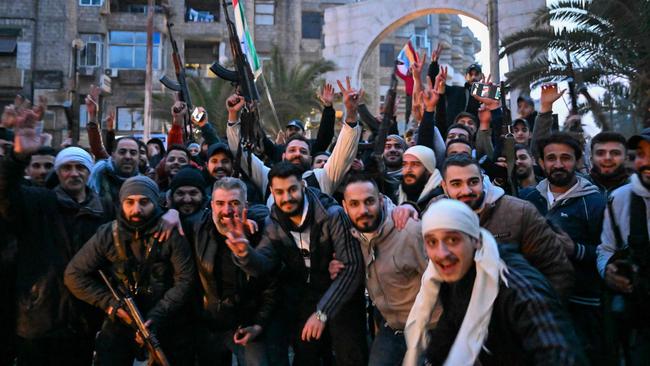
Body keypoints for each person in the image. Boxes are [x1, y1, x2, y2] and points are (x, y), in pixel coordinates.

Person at [403, 199, 586, 366]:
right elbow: (449, 330)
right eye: (432, 242)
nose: (442, 253)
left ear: (474, 240)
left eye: (452, 240)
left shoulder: (516, 287)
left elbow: (561, 355)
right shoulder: (455, 275)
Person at [222, 161, 367, 366]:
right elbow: (264, 263)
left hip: (341, 296)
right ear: (272, 191)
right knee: (305, 356)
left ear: (303, 185)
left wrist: (322, 312)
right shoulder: (274, 222)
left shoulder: (332, 215)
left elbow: (351, 267)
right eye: (279, 192)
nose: (287, 197)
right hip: (305, 298)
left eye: (292, 189)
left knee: (349, 356)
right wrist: (245, 254)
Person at [0, 108, 112, 365]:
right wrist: (16, 159)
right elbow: (5, 196)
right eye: (67, 168)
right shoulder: (39, 202)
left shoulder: (104, 209)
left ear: (89, 172)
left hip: (84, 321)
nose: (74, 173)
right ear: (59, 172)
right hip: (40, 318)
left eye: (80, 168)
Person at [64, 175, 195, 366]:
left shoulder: (169, 233)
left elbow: (185, 279)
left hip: (166, 318)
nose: (136, 209)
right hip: (121, 320)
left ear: (154, 202)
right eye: (129, 202)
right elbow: (74, 275)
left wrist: (157, 315)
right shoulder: (108, 234)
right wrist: (110, 304)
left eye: (144, 202)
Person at [520, 132, 607, 365]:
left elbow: (607, 254)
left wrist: (575, 249)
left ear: (577, 161)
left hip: (582, 307)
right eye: (551, 158)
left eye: (566, 158)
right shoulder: (526, 199)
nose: (558, 164)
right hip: (536, 306)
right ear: (540, 162)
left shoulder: (595, 202)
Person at [436, 154, 575, 297]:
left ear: (482, 180)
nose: (466, 190)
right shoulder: (436, 217)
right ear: (444, 186)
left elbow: (556, 270)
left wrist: (536, 313)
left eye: (473, 182)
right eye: (456, 184)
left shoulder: (519, 212)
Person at [186, 177, 278, 365]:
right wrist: (169, 212)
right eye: (220, 203)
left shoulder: (259, 232)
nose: (227, 210)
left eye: (234, 203)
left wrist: (259, 324)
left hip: (247, 322)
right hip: (210, 323)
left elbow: (271, 284)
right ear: (211, 205)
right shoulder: (197, 227)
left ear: (246, 205)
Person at [338, 174, 427, 365]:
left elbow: (442, 280)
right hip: (391, 328)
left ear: (380, 200)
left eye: (369, 201)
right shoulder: (351, 237)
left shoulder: (409, 231)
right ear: (345, 207)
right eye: (354, 204)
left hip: (426, 328)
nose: (363, 210)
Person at [226, 78, 362, 202]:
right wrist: (233, 115)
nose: (297, 153)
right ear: (283, 155)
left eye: (303, 151)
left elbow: (344, 154)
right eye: (292, 150)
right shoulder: (267, 176)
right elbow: (240, 155)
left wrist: (351, 113)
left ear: (310, 157)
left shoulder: (322, 178)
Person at [597, 128, 650, 365]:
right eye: (640, 154)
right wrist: (608, 270)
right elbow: (606, 249)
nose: (645, 162)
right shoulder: (620, 198)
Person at [89, 136, 141, 204]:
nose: (128, 156)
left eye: (133, 153)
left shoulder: (142, 183)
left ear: (139, 157)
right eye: (122, 152)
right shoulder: (99, 175)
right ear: (113, 155)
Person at [398, 145, 443, 211]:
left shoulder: (439, 200)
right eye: (405, 164)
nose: (408, 169)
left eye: (415, 164)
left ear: (429, 170)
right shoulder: (397, 193)